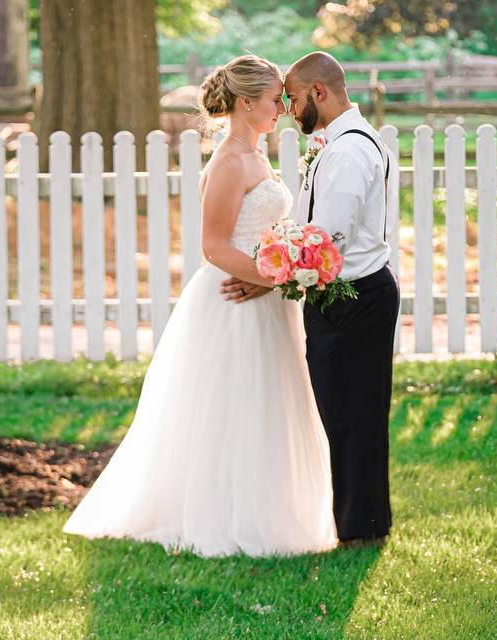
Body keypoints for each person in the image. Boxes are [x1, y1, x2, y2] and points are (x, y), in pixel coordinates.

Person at [63, 54, 337, 558]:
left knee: (269, 404)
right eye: (276, 100)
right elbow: (214, 246)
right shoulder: (230, 160)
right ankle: (227, 515)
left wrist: (281, 277)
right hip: (234, 301)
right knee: (236, 407)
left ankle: (271, 508)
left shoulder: (256, 153)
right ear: (246, 101)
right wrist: (281, 278)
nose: (282, 108)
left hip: (264, 296)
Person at [224, 51, 399, 545]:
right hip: (351, 295)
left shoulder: (347, 152)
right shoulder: (342, 144)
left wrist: (266, 278)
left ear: (318, 94)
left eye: (295, 99)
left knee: (351, 417)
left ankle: (362, 530)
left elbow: (325, 239)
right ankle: (361, 524)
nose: (289, 109)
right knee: (348, 415)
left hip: (354, 299)